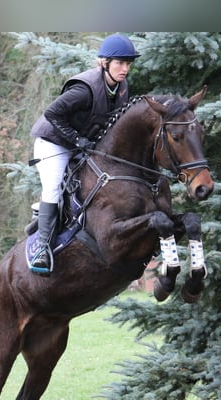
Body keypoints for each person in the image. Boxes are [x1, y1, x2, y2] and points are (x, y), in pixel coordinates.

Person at [27, 33, 140, 274]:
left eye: (128, 63)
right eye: (120, 63)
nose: (125, 69)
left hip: (79, 143)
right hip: (53, 143)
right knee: (53, 188)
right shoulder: (84, 89)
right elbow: (52, 113)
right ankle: (42, 248)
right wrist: (77, 139)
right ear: (104, 63)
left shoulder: (120, 89)